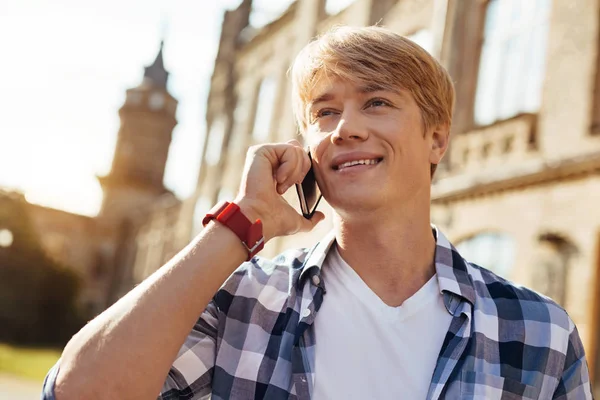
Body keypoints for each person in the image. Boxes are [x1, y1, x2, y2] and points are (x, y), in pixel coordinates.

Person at [43, 26, 592, 400]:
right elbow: (77, 392)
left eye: (377, 101)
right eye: (325, 111)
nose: (344, 128)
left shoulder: (538, 332)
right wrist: (242, 221)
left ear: (437, 138)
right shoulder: (243, 304)